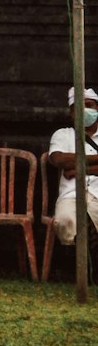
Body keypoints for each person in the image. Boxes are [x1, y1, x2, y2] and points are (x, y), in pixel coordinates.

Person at [48, 86, 98, 246]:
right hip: (71, 195)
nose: (85, 110)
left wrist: (78, 169)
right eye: (79, 107)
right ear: (71, 113)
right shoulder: (63, 134)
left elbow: (68, 162)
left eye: (89, 105)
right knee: (65, 220)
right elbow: (58, 159)